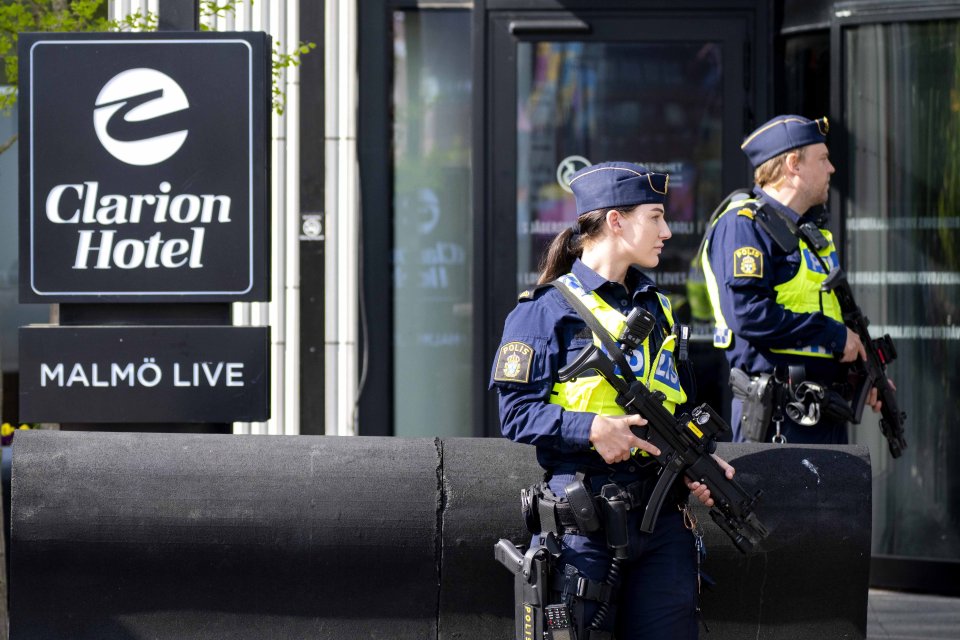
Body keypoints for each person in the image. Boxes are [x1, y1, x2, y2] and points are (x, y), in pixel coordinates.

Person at [490, 161, 735, 640]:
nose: (666, 230)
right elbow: (516, 413)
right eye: (655, 216)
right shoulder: (544, 311)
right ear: (616, 221)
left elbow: (677, 407)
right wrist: (592, 429)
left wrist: (699, 464)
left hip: (663, 525)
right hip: (583, 526)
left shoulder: (659, 309)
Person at [700, 115, 882, 444]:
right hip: (777, 416)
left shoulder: (810, 234)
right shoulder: (744, 224)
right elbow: (748, 313)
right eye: (823, 159)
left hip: (823, 409)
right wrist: (834, 335)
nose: (832, 169)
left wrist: (863, 374)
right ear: (793, 164)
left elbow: (830, 315)